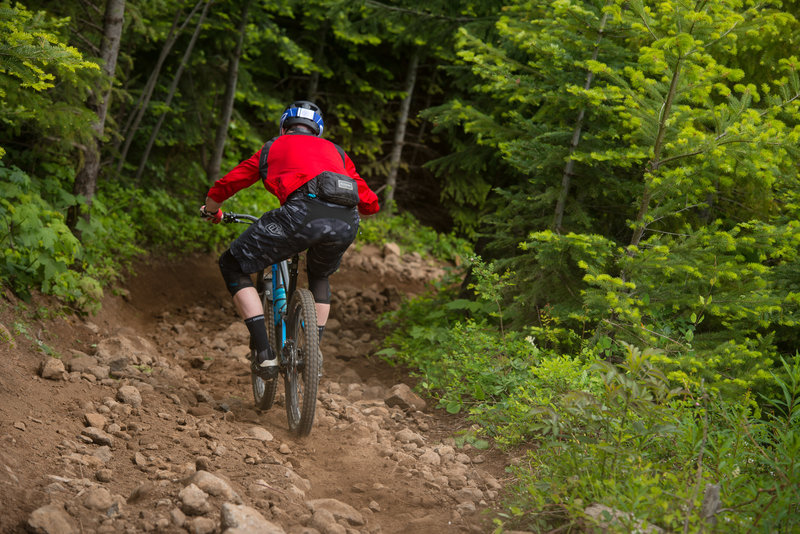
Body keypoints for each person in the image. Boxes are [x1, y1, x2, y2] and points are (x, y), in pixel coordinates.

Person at [200, 100, 380, 379]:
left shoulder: (274, 147)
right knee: (319, 275)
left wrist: (212, 211)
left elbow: (230, 182)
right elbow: (370, 203)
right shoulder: (337, 152)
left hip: (299, 216)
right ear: (317, 131)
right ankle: (311, 352)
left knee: (233, 265)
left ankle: (265, 354)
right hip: (346, 223)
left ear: (284, 126)